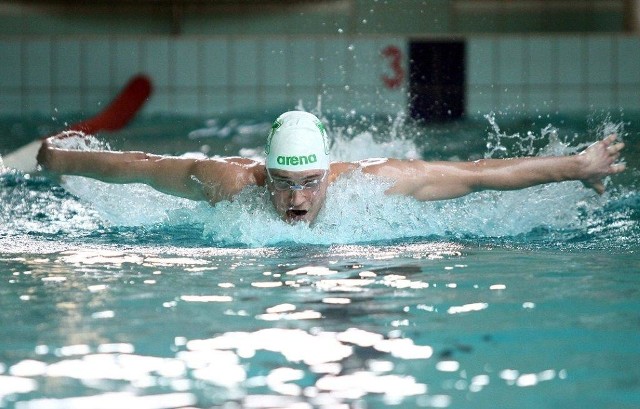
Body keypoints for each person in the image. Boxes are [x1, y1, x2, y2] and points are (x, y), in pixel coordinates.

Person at [37, 111, 626, 224]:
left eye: (309, 183)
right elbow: (140, 165)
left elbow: (476, 171)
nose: (296, 200)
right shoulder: (230, 182)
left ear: (329, 172)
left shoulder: (369, 184)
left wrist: (574, 165)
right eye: (284, 183)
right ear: (265, 173)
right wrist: (59, 155)